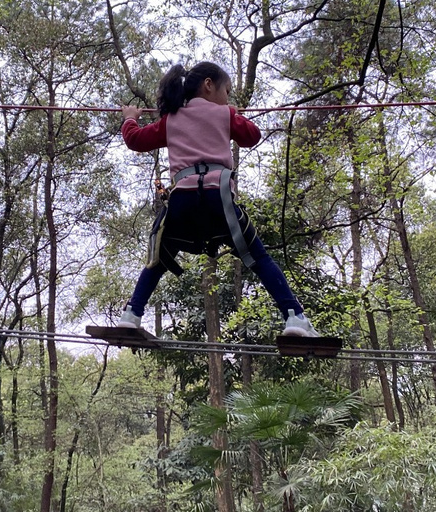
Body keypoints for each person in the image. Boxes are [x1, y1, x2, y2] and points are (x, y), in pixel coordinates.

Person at [118, 61, 318, 337]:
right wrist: (233, 115)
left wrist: (130, 118)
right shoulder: (224, 113)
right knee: (258, 257)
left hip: (182, 201)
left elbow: (136, 140)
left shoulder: (171, 119)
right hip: (218, 198)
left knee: (159, 258)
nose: (228, 97)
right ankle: (294, 317)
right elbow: (252, 136)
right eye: (227, 90)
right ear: (209, 85)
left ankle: (131, 314)